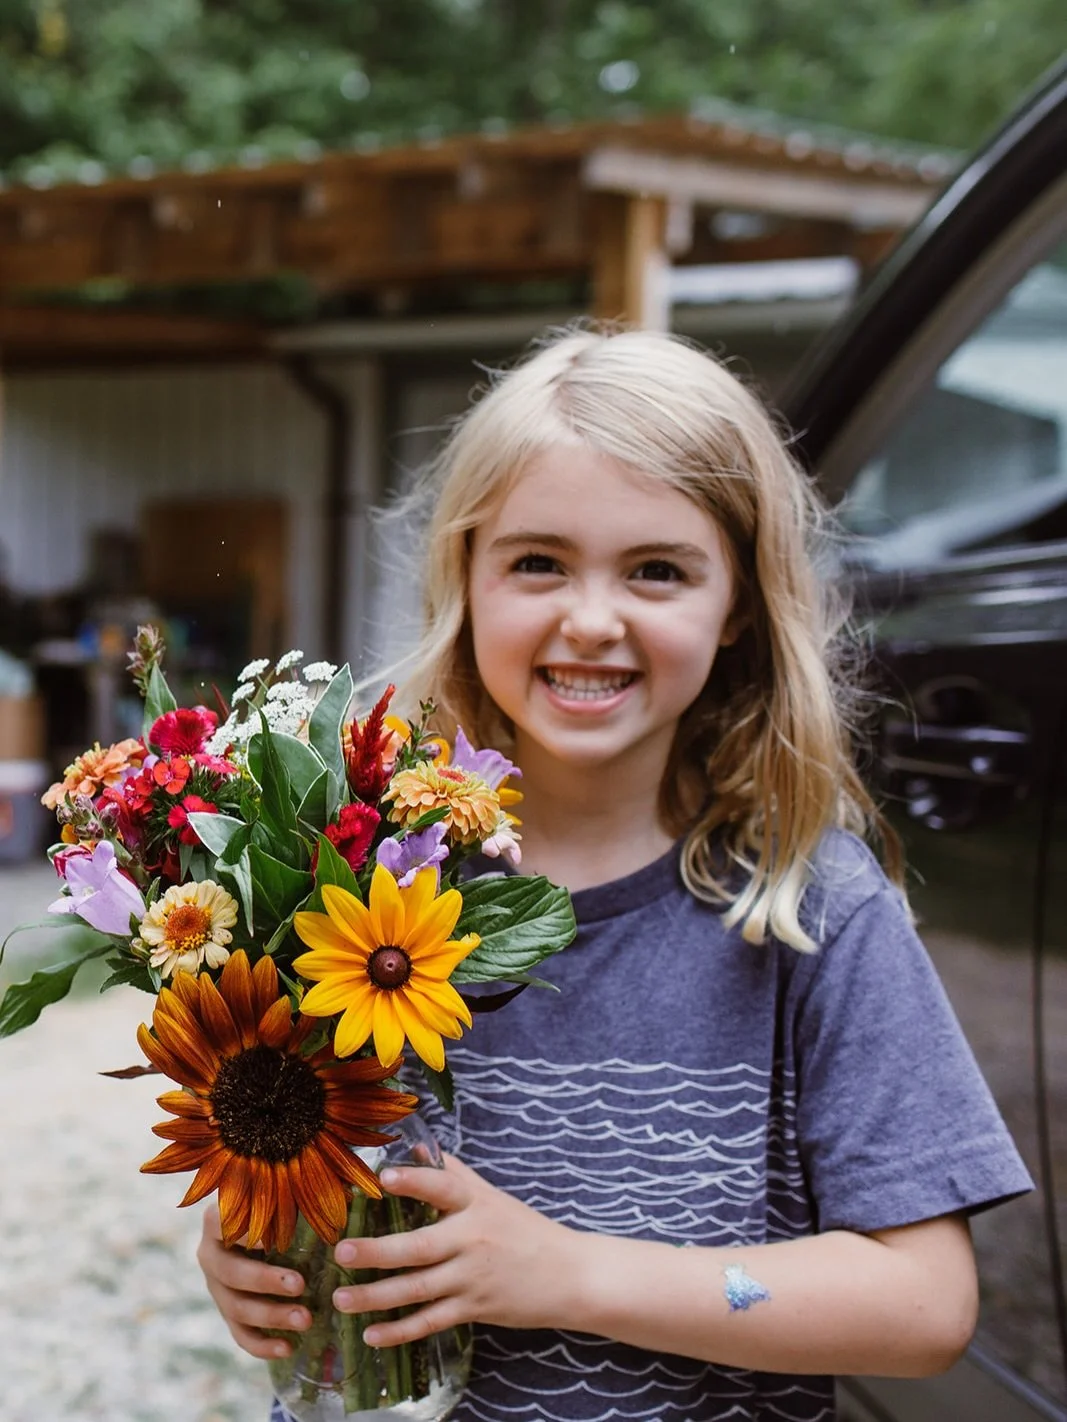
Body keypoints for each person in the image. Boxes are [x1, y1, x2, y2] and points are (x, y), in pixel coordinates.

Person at [197, 326, 1032, 1422]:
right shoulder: (351, 881)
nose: (590, 621)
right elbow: (301, 1158)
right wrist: (246, 1251)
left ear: (736, 603)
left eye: (656, 570)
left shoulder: (811, 910)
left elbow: (921, 1306)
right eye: (537, 561)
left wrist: (566, 1276)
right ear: (465, 574)